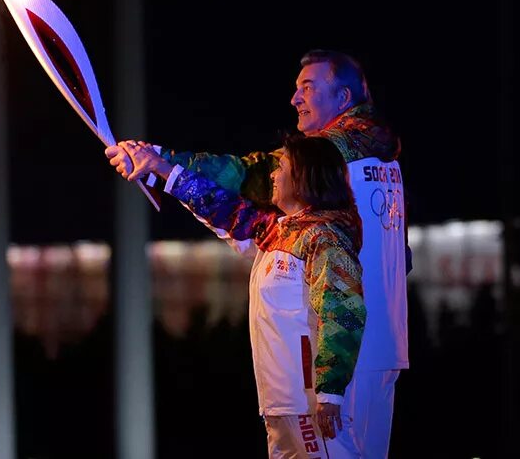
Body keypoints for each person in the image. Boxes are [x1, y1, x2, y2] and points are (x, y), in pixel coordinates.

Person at [106, 50, 408, 458]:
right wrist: (160, 167)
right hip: (372, 348)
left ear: (343, 98)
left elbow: (243, 176)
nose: (295, 99)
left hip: (339, 357)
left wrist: (162, 158)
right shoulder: (378, 161)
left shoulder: (332, 161)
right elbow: (229, 211)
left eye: (307, 88)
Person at [122, 134, 366, 457]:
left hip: (310, 404)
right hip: (278, 402)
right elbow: (218, 205)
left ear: (304, 177)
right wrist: (162, 168)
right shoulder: (276, 231)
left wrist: (330, 394)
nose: (272, 175)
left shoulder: (323, 240)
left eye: (282, 167)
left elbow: (345, 311)